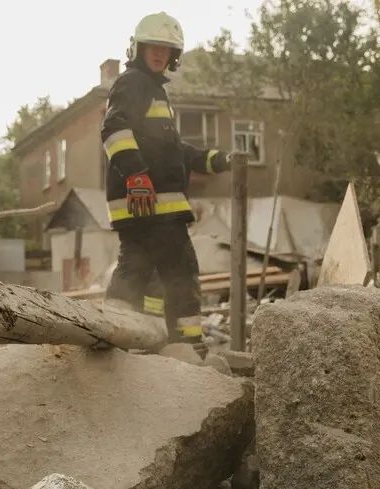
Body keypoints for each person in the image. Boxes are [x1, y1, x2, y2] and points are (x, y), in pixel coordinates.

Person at [101, 11, 233, 344]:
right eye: (153, 47)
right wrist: (137, 177)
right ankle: (186, 346)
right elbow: (114, 129)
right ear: (138, 49)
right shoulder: (134, 83)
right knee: (179, 270)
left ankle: (121, 335)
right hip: (148, 201)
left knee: (140, 271)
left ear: (173, 56)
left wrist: (215, 160)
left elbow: (173, 151)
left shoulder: (154, 92)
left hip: (149, 204)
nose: (160, 54)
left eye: (166, 49)